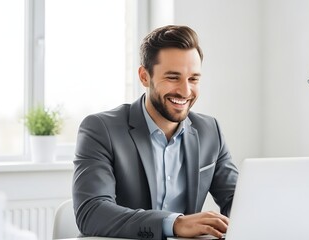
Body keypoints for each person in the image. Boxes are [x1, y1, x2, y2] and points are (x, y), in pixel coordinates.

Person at [72, 25, 238, 240]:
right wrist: (174, 223)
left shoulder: (209, 131)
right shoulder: (101, 129)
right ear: (144, 76)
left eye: (193, 79)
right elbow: (92, 212)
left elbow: (236, 199)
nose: (185, 91)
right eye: (172, 77)